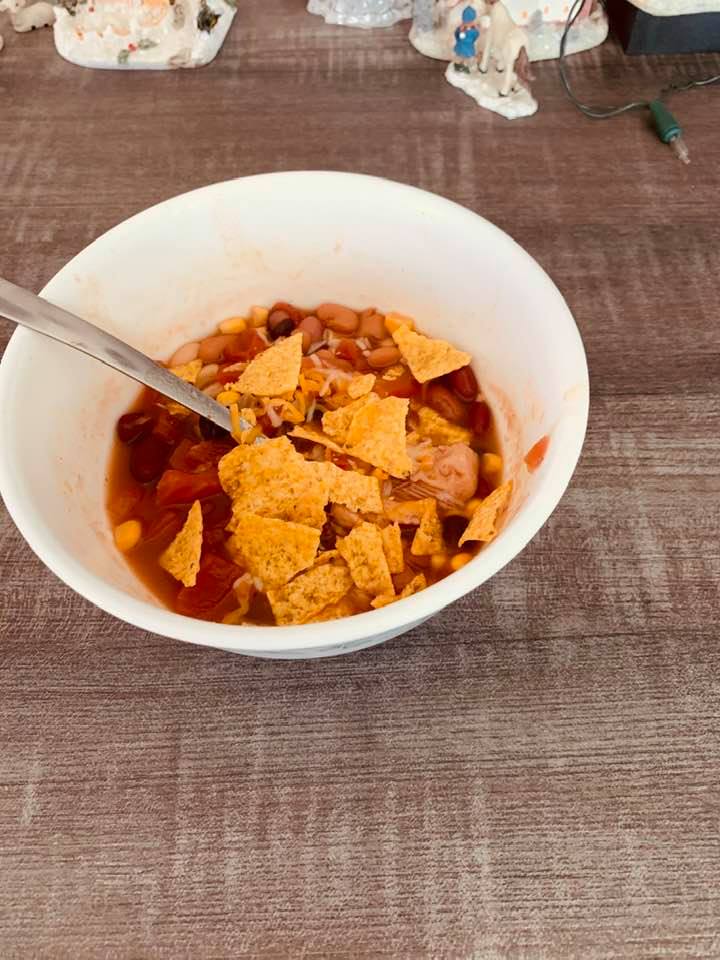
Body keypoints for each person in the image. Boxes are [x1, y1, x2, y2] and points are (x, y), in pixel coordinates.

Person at [452, 5, 479, 73]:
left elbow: (476, 36)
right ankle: (460, 66)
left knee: (464, 58)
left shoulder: (471, 29)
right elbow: (459, 36)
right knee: (463, 58)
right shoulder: (464, 29)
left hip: (466, 46)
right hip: (466, 47)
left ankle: (463, 66)